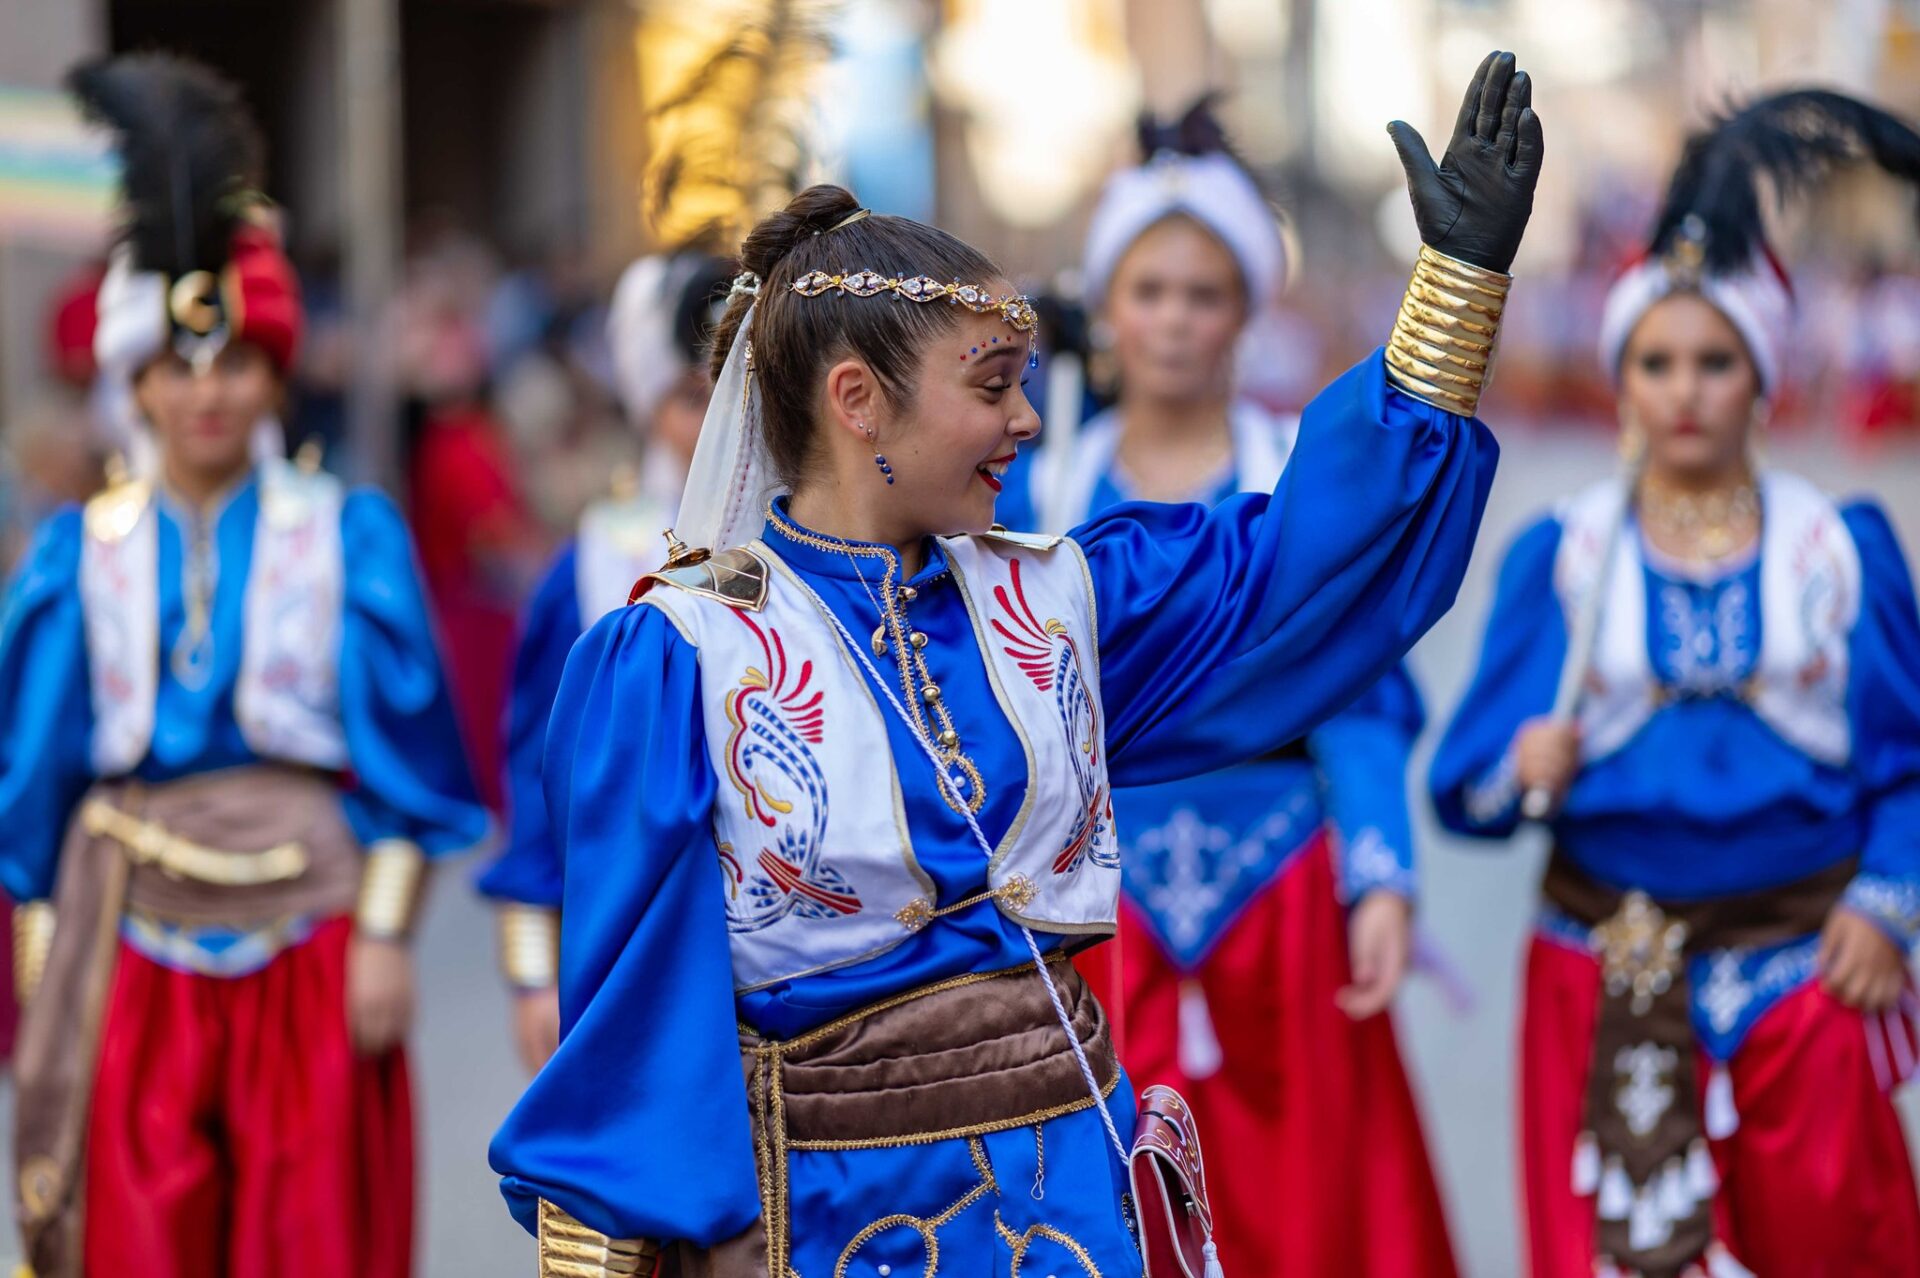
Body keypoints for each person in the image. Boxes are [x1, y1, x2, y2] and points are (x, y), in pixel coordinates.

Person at [491, 50, 1539, 1276]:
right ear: (857, 402)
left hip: (1070, 1216)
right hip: (836, 1230)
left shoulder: (1059, 602)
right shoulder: (678, 658)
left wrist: (1455, 286)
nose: (1030, 422)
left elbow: (1301, 564)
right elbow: (629, 1049)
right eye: (992, 387)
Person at [0, 55, 488, 1278]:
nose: (207, 391)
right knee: (138, 1246)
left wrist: (385, 936)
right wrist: (46, 984)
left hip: (309, 939)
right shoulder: (77, 554)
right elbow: (33, 794)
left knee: (309, 1240)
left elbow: (415, 775)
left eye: (236, 362)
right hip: (133, 943)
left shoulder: (348, 536)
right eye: (179, 365)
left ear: (277, 371)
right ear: (138, 381)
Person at [1429, 90, 1920, 1278]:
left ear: (1762, 375)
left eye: (1716, 361)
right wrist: (1521, 768)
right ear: (1623, 379)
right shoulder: (1565, 555)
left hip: (1807, 978)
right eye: (1657, 362)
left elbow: (1908, 767)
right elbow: (1465, 790)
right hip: (1604, 983)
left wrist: (1886, 904)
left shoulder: (1838, 549)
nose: (1686, 389)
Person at [999, 100, 1457, 1277]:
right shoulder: (1039, 490)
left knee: (1307, 1208)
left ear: (1248, 309)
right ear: (1109, 303)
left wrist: (1381, 874)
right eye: (1149, 290)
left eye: (1202, 294)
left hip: (1285, 899)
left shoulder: (1298, 477)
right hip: (1096, 910)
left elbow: (1359, 694)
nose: (1173, 318)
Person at [479, 251, 733, 1072]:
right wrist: (531, 972)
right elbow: (537, 783)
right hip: (638, 957)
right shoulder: (595, 564)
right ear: (650, 405)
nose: (721, 420)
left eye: (741, 390)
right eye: (692, 398)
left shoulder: (831, 546)